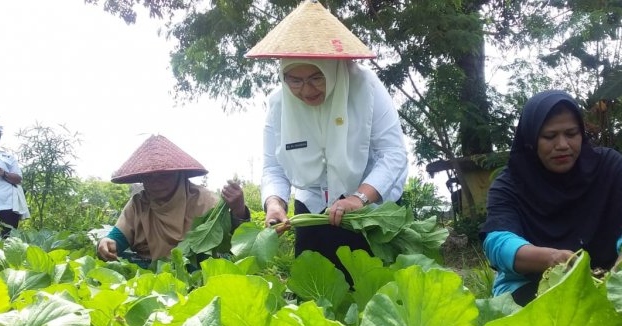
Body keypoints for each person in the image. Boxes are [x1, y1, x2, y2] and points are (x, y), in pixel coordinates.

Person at [246, 0, 408, 280]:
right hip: (312, 209)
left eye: (315, 78)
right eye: (293, 80)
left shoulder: (365, 88)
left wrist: (359, 198)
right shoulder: (278, 104)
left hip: (368, 212)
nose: (305, 90)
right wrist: (274, 203)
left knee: (372, 292)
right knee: (316, 296)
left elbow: (393, 154)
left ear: (332, 69)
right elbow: (274, 167)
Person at [481, 90, 622, 306]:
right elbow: (498, 243)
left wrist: (620, 273)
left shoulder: (608, 167)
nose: (562, 145)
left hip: (611, 281)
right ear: (531, 139)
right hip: (531, 287)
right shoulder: (510, 183)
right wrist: (551, 259)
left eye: (571, 133)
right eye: (549, 136)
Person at [96, 134, 249, 265]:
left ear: (179, 174)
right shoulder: (139, 204)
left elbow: (234, 243)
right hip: (148, 274)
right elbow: (117, 238)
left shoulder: (205, 201)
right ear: (141, 179)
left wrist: (239, 209)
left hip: (195, 274)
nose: (156, 182)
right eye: (149, 177)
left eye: (164, 175)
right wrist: (107, 243)